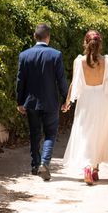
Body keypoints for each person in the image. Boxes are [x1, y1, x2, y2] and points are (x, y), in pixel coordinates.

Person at [62, 30, 108, 185]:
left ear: (85, 43)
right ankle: (95, 169)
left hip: (86, 101)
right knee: (99, 133)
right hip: (102, 101)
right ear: (99, 44)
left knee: (86, 134)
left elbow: (74, 84)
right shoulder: (107, 61)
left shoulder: (79, 61)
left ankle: (88, 167)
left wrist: (67, 102)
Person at [16, 23, 69, 181]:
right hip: (51, 102)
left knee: (34, 133)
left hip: (31, 103)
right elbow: (61, 80)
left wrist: (20, 101)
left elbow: (20, 81)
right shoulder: (55, 55)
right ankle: (44, 164)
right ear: (49, 37)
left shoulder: (24, 55)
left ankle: (34, 165)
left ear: (34, 36)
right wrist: (66, 100)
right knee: (50, 134)